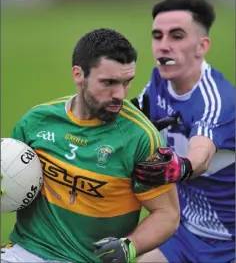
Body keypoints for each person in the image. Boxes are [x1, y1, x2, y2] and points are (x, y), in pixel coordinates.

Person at [1, 28, 180, 263]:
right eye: (109, 82)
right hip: (23, 251)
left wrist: (130, 246)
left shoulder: (140, 138)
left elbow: (167, 213)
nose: (120, 94)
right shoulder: (37, 121)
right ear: (79, 74)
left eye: (127, 82)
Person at [131, 0, 235, 263]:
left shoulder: (216, 99)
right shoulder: (159, 82)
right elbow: (132, 121)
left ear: (202, 46)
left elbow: (200, 156)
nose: (163, 46)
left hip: (229, 243)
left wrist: (176, 167)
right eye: (157, 36)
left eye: (176, 36)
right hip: (184, 234)